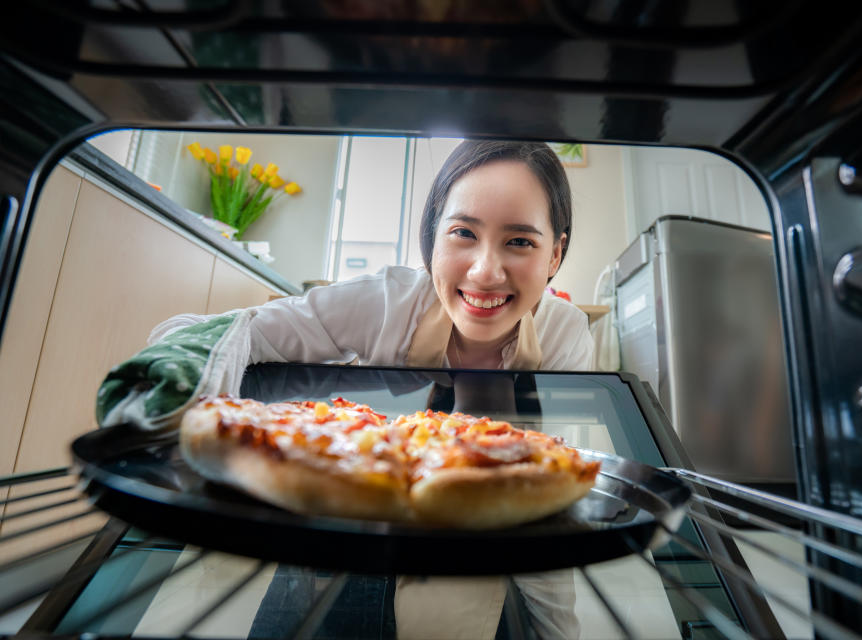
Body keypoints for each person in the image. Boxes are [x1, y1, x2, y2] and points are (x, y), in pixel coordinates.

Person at [98, 140, 590, 639]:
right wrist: (178, 399)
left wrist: (559, 633)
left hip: (472, 559)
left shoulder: (563, 335)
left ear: (556, 254)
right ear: (431, 240)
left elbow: (546, 503)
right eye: (463, 232)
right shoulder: (385, 301)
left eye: (520, 241)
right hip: (344, 545)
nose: (486, 271)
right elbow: (221, 330)